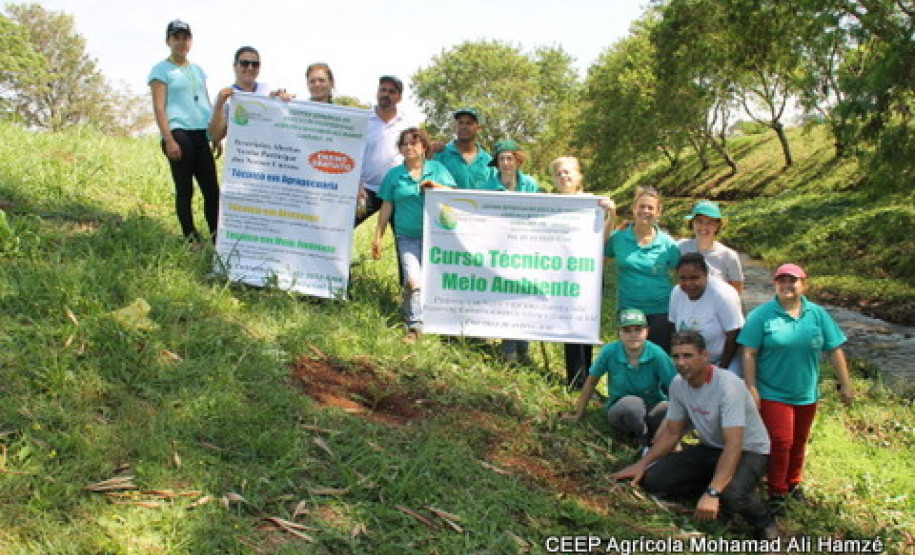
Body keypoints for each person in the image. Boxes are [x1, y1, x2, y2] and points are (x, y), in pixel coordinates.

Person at [611, 331, 778, 540]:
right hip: (712, 449)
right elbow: (672, 432)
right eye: (676, 356)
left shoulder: (728, 386)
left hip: (750, 451)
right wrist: (642, 464)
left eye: (688, 356)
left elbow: (734, 444)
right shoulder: (678, 385)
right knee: (654, 480)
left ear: (704, 356)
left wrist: (713, 492)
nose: (681, 362)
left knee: (733, 495)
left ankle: (765, 519)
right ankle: (716, 485)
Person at [738, 263, 854, 509]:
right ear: (775, 284)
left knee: (799, 440)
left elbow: (834, 348)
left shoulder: (817, 314)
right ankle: (777, 491)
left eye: (793, 281)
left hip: (806, 392)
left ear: (804, 284)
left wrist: (846, 384)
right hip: (772, 391)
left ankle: (793, 482)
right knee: (781, 441)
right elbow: (748, 352)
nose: (787, 286)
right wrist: (751, 388)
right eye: (782, 281)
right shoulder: (761, 316)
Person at [372, 128, 456, 343]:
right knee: (412, 280)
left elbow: (453, 195)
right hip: (406, 236)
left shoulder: (437, 169)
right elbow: (387, 206)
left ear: (424, 147)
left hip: (436, 237)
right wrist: (378, 236)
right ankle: (415, 326)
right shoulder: (394, 175)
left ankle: (443, 324)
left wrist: (435, 186)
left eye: (414, 143)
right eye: (405, 144)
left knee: (435, 281)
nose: (409, 147)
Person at [148, 19, 219, 243]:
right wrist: (168, 139)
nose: (181, 42)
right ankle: (190, 238)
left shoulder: (197, 70)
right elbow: (159, 107)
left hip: (200, 133)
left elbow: (206, 102)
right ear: (168, 41)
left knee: (212, 189)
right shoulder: (161, 70)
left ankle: (218, 237)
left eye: (185, 38)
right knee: (186, 188)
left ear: (190, 41)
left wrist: (215, 134)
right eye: (176, 38)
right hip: (178, 133)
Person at [550, 156, 617, 387]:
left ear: (579, 176)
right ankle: (574, 379)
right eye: (559, 173)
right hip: (561, 275)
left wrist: (610, 214)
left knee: (585, 325)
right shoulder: (549, 205)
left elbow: (604, 240)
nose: (564, 176)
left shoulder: (593, 204)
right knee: (568, 327)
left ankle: (588, 380)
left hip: (587, 276)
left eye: (568, 172)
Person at [571, 309, 677, 448]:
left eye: (638, 330)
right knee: (632, 405)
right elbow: (591, 382)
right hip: (621, 409)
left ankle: (659, 437)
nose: (633, 335)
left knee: (668, 408)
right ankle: (644, 440)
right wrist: (579, 413)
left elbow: (675, 386)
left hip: (652, 406)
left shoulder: (657, 354)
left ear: (647, 331)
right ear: (619, 333)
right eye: (627, 330)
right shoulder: (610, 352)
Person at [604, 186, 680, 353]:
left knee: (658, 357)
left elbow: (681, 277)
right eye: (641, 206)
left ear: (658, 212)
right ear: (634, 209)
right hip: (629, 309)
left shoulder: (668, 244)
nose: (645, 211)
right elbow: (599, 261)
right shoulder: (619, 238)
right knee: (630, 356)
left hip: (661, 311)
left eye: (650, 207)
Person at [486, 140, 540, 363]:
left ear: (518, 160)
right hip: (500, 249)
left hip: (527, 248)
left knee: (525, 297)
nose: (506, 163)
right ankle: (508, 350)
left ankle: (524, 348)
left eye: (510, 158)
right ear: (497, 163)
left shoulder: (530, 184)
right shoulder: (488, 187)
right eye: (502, 159)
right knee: (506, 297)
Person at [669, 252, 744, 375]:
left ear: (706, 275)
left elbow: (734, 335)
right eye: (683, 278)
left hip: (723, 360)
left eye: (694, 278)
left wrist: (720, 371)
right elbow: (673, 328)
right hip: (689, 359)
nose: (688, 284)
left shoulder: (723, 294)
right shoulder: (676, 293)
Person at [357, 75, 418, 226]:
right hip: (366, 190)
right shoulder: (362, 120)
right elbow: (352, 153)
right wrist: (357, 185)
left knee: (403, 235)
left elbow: (416, 155)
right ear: (377, 93)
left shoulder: (407, 123)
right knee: (342, 228)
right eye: (383, 90)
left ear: (399, 97)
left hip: (396, 190)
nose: (386, 94)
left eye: (392, 91)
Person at [209, 46, 291, 148]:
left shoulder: (268, 91)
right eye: (245, 63)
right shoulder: (224, 97)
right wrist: (219, 106)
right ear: (235, 66)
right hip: (240, 157)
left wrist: (285, 102)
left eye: (255, 64)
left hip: (268, 155)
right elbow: (215, 136)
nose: (250, 67)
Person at [679, 200, 745, 294]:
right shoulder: (680, 248)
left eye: (710, 222)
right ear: (692, 223)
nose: (704, 227)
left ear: (717, 225)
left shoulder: (729, 256)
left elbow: (737, 294)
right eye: (699, 221)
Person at [432, 108, 494, 190]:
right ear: (455, 127)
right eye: (460, 123)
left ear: (478, 128)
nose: (464, 127)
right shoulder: (441, 154)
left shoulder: (488, 161)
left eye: (469, 123)